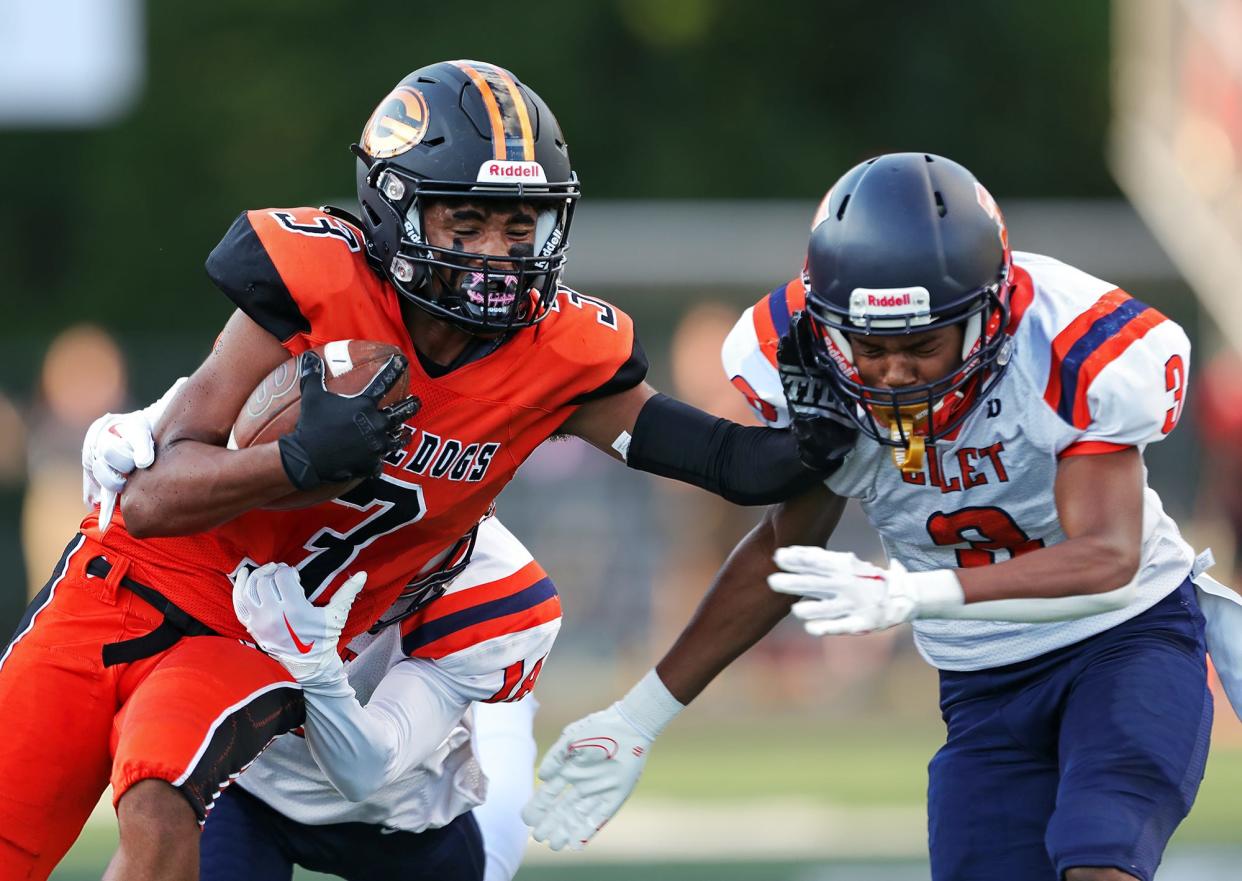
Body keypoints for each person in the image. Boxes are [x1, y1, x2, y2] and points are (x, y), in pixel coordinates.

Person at [0, 60, 839, 881]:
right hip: (129, 577)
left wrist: (849, 416)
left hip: (248, 632)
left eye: (521, 228)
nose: (496, 256)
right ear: (395, 212)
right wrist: (291, 461)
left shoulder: (559, 355)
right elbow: (147, 501)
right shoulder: (316, 284)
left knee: (158, 804)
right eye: (466, 224)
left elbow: (730, 461)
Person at [525, 153, 1226, 881]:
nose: (893, 373)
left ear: (988, 317)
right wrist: (637, 716)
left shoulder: (1070, 343)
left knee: (1099, 855)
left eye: (922, 344)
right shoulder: (813, 365)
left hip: (1122, 642)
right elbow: (782, 556)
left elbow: (1108, 557)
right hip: (982, 679)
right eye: (871, 346)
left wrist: (916, 592)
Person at [83, 406, 550, 881]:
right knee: (158, 808)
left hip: (399, 816)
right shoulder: (257, 496)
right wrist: (128, 433)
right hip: (248, 785)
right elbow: (199, 418)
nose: (386, 551)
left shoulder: (492, 586)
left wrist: (315, 667)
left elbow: (366, 771)